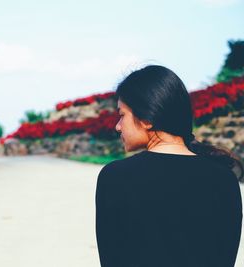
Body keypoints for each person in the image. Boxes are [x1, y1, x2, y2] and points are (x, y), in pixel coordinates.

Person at [95, 65, 243, 267]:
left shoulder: (115, 177)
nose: (117, 126)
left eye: (122, 115)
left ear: (146, 118)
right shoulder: (225, 179)